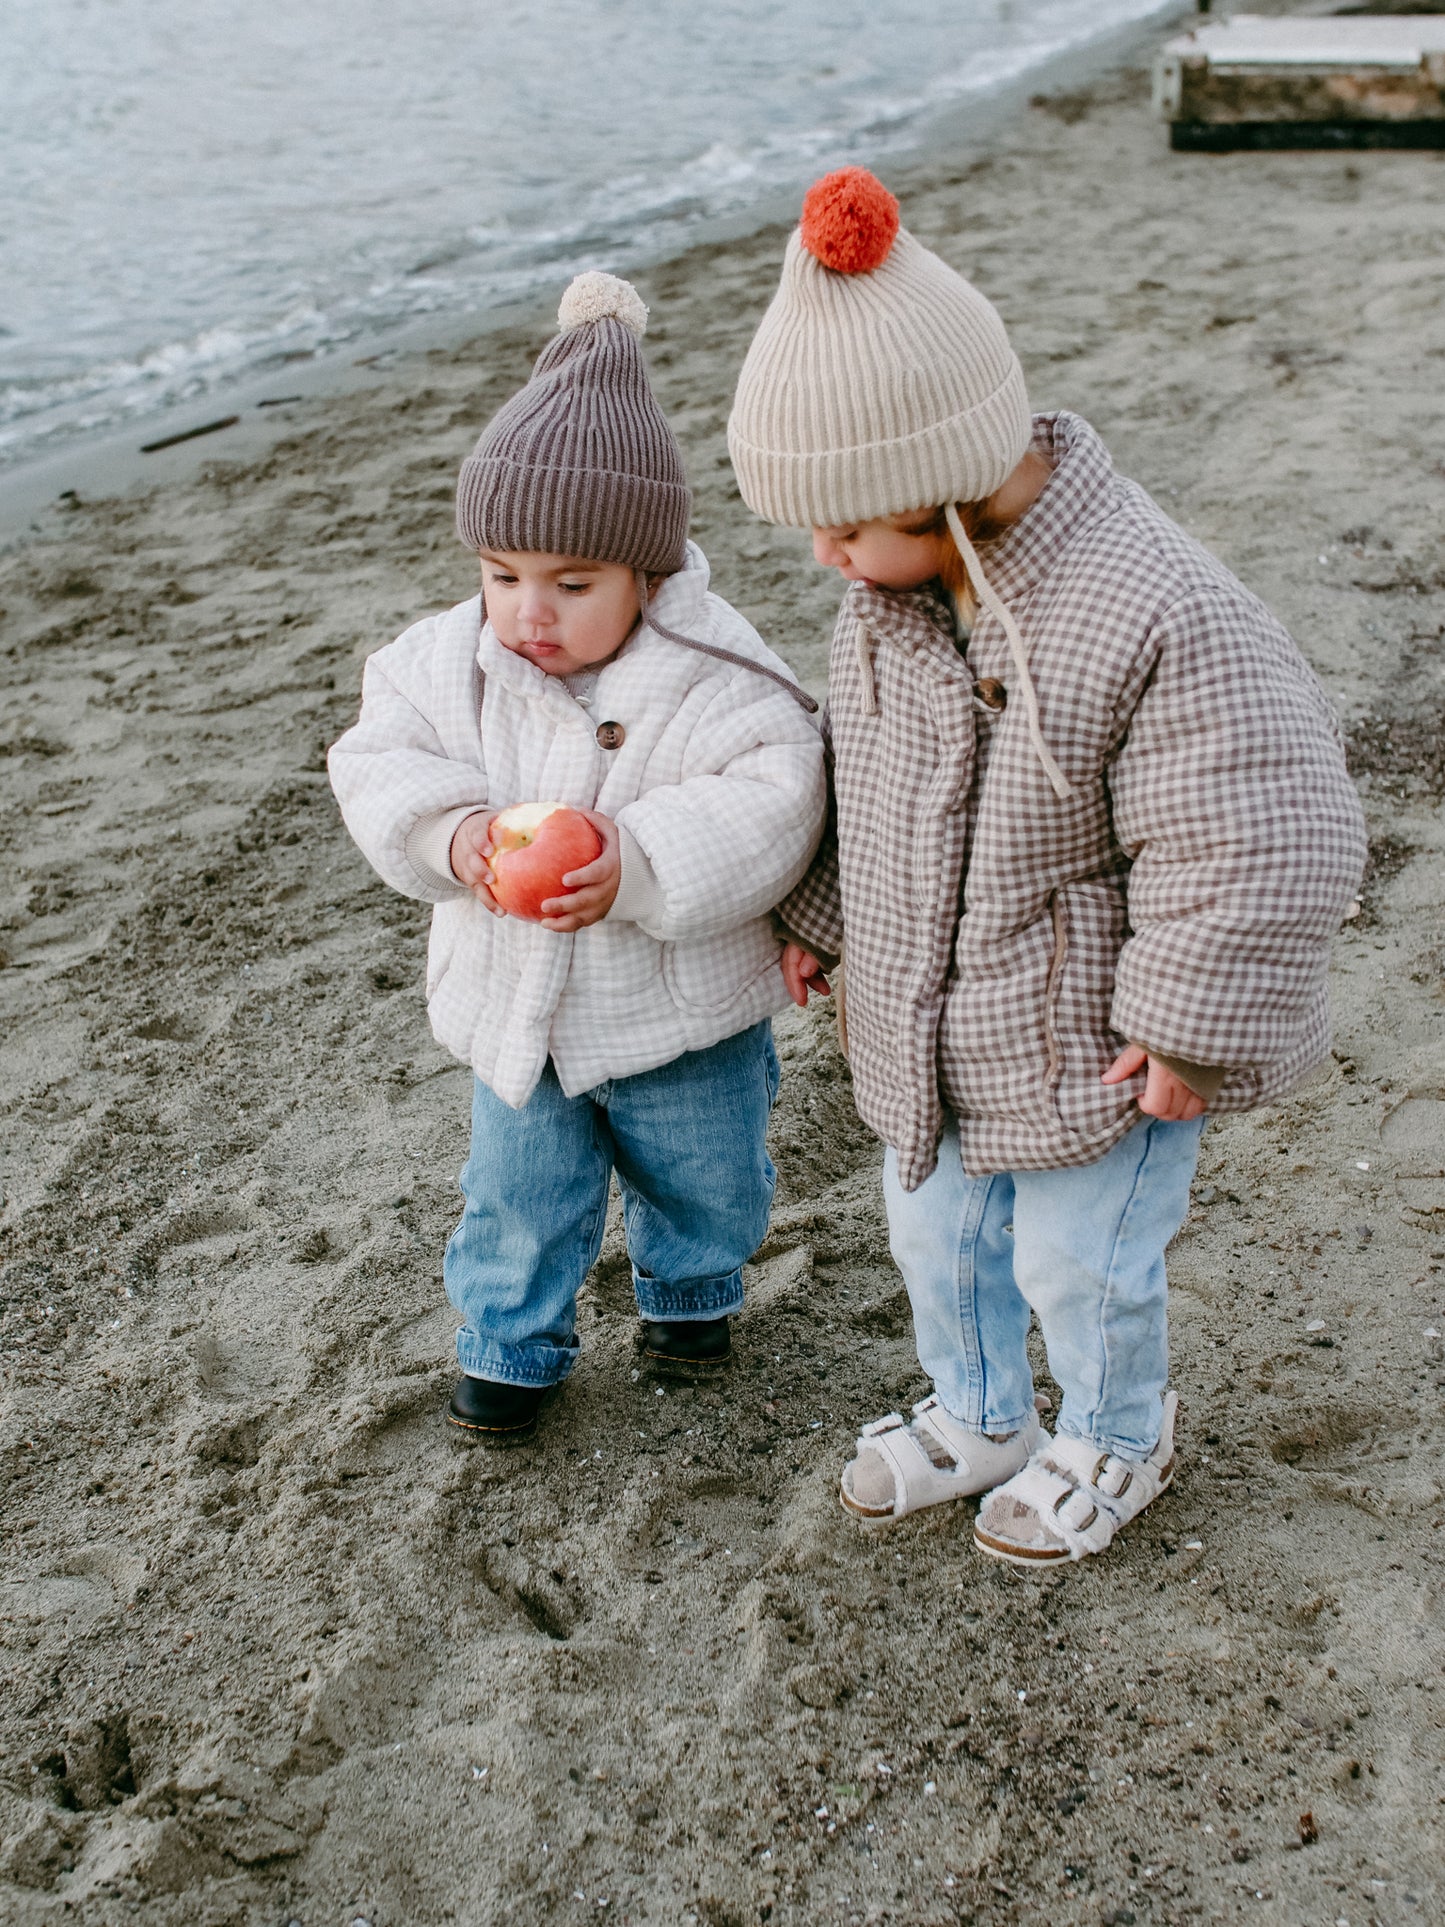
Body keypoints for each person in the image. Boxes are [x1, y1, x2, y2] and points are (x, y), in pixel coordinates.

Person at [726, 169, 1365, 1565]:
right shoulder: (892, 600)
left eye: (845, 522)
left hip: (1100, 1042)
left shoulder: (1150, 604)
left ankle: (1119, 1430)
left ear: (940, 479)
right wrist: (823, 917)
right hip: (935, 1019)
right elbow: (866, 779)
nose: (828, 557)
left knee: (1078, 1260)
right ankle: (981, 1409)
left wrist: (1190, 1018)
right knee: (936, 1236)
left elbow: (1255, 818)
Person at [330, 272, 825, 1441]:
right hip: (521, 1014)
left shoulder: (713, 667)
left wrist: (639, 860)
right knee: (517, 1192)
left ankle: (691, 1290)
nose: (528, 613)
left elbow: (774, 788)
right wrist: (453, 836)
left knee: (705, 1170)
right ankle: (508, 1344)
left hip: (679, 1005)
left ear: (648, 574)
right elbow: (377, 756)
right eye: (502, 576)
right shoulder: (443, 660)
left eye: (571, 584)